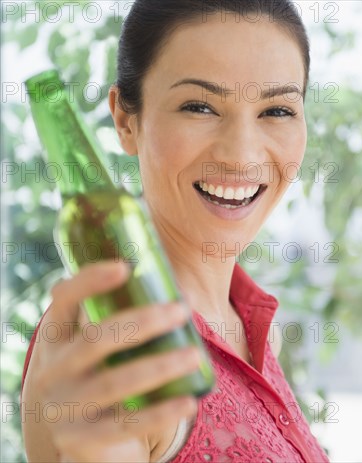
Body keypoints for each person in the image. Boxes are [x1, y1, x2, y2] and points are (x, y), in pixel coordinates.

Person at [20, 1, 330, 461]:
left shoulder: (255, 330)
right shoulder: (114, 336)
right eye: (199, 106)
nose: (241, 156)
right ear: (126, 121)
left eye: (277, 110)